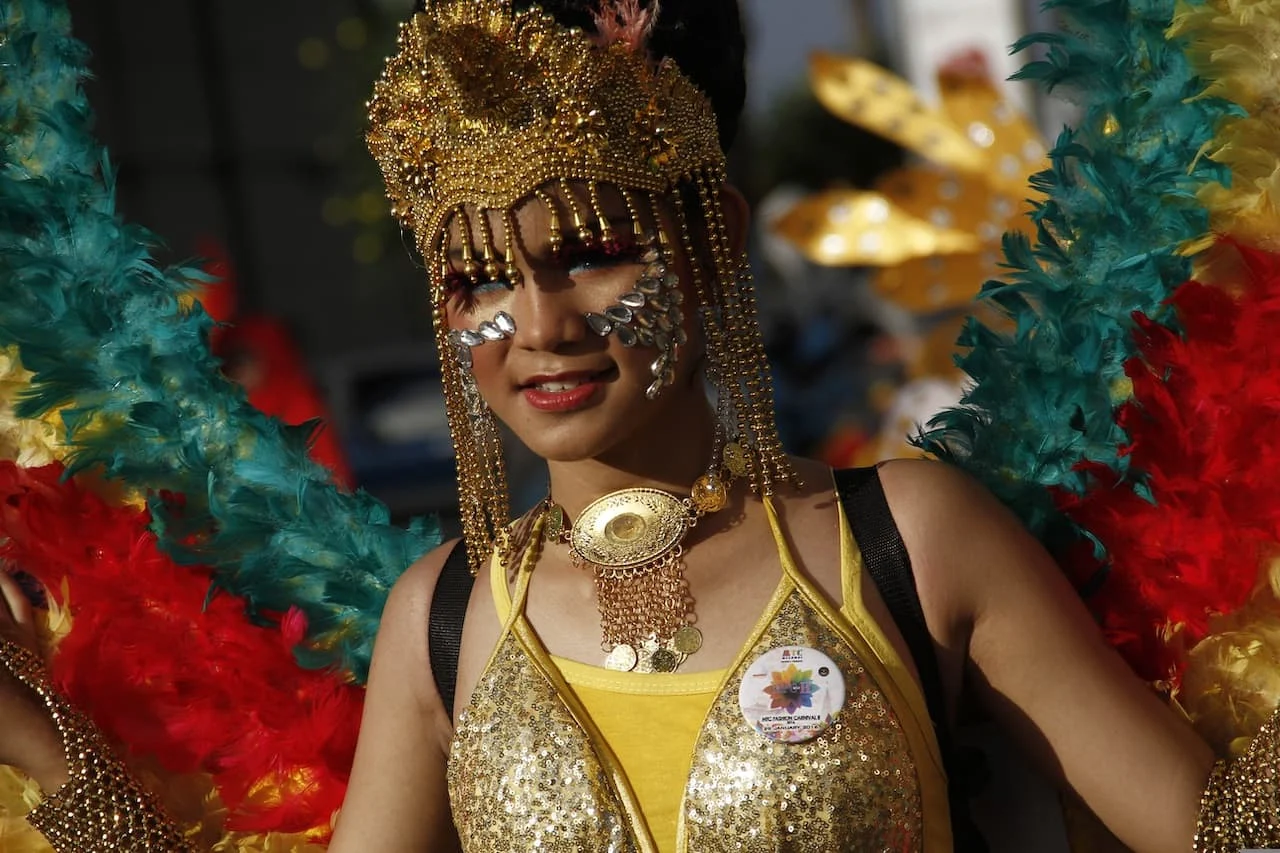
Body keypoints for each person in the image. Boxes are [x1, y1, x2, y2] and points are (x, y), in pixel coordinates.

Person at [1, 0, 1278, 851]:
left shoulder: (909, 540)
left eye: (597, 256)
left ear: (711, 239)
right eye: (479, 280)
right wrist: (44, 747)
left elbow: (1213, 831)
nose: (540, 323)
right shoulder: (439, 619)